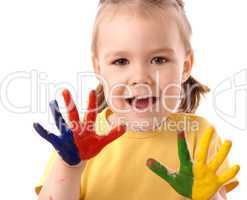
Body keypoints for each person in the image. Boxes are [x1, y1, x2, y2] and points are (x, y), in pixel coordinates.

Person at [34, 0, 240, 199]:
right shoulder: (79, 141)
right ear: (98, 68)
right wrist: (71, 166)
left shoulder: (200, 137)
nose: (140, 77)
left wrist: (207, 195)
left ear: (185, 66)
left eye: (159, 59)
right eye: (121, 61)